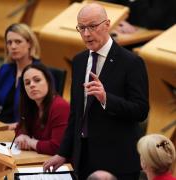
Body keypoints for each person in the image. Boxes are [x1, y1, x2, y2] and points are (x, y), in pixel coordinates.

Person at [43, 3, 149, 180]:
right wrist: (63, 152)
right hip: (83, 159)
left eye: (92, 26)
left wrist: (106, 98)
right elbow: (76, 114)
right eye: (82, 28)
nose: (86, 34)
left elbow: (141, 110)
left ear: (107, 24)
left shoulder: (131, 62)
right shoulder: (79, 61)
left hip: (117, 161)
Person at [14, 63, 70, 155]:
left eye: (37, 80)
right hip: (40, 158)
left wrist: (29, 141)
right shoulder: (31, 105)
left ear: (48, 82)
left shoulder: (60, 107)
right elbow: (20, 128)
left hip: (61, 165)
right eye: (27, 83)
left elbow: (57, 147)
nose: (32, 85)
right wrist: (21, 137)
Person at [0, 23, 41, 129]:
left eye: (18, 42)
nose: (13, 46)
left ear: (29, 43)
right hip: (1, 126)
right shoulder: (5, 69)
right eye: (9, 42)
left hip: (24, 130)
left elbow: (42, 114)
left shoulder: (39, 73)